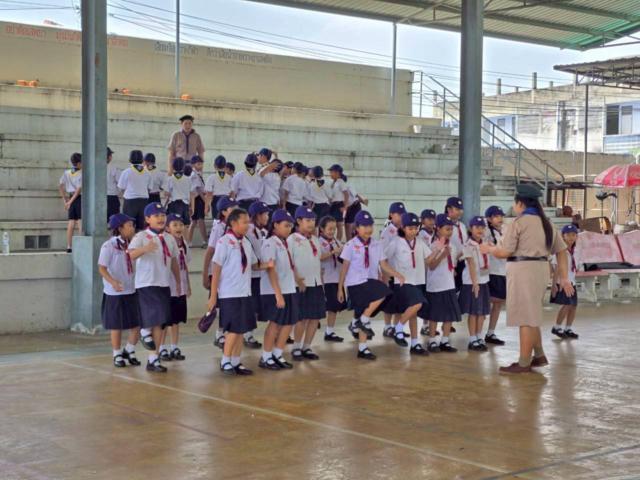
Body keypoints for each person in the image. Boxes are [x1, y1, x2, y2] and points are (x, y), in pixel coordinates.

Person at [480, 184, 573, 374]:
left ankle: (523, 362)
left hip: (523, 270)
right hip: (540, 270)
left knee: (525, 317)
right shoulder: (546, 223)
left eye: (515, 203)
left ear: (520, 203)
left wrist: (489, 249)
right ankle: (539, 355)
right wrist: (564, 277)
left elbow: (505, 252)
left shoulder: (519, 223)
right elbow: (562, 251)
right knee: (532, 314)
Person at [338, 210, 402, 360]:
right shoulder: (350, 245)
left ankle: (362, 348)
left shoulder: (376, 244)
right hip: (355, 284)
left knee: (366, 310)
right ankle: (362, 320)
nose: (368, 229)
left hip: (370, 281)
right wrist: (340, 288)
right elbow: (344, 268)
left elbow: (383, 265)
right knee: (383, 294)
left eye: (370, 225)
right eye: (364, 226)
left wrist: (397, 274)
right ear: (357, 228)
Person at [128, 202, 181, 373]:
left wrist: (178, 281)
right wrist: (145, 248)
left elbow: (174, 260)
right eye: (156, 215)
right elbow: (130, 255)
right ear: (147, 219)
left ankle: (153, 358)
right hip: (147, 283)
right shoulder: (141, 236)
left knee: (160, 322)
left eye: (163, 215)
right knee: (153, 315)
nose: (160, 218)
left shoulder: (169, 238)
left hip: (163, 283)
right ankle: (144, 331)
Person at [207, 208, 260, 376]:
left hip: (245, 292)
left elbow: (254, 264)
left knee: (241, 329)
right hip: (230, 293)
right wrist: (213, 296)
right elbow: (216, 269)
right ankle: (225, 360)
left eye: (248, 222)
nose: (248, 225)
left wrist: (270, 265)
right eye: (244, 222)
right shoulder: (224, 242)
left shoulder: (246, 242)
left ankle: (236, 361)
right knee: (233, 329)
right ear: (233, 223)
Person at [384, 212, 433, 355]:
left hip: (418, 281)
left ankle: (415, 344)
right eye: (410, 228)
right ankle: (398, 328)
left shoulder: (420, 242)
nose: (413, 231)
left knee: (413, 313)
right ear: (403, 228)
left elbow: (428, 259)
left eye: (416, 228)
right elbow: (383, 260)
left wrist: (439, 250)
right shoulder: (396, 242)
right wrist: (393, 275)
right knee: (418, 303)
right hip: (403, 283)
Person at [98, 213, 141, 368]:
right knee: (116, 325)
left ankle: (129, 349)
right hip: (115, 292)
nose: (132, 228)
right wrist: (113, 282)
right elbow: (102, 268)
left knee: (137, 323)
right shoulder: (109, 246)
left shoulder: (133, 245)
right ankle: (116, 353)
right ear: (120, 228)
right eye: (129, 225)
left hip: (131, 289)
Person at [259, 209, 300, 370]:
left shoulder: (284, 242)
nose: (289, 229)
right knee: (275, 324)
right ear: (275, 224)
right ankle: (266, 356)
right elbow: (271, 269)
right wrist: (278, 294)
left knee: (289, 322)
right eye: (286, 225)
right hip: (274, 290)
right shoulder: (270, 243)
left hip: (289, 288)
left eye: (290, 226)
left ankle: (277, 353)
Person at [289, 206, 325, 361]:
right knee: (302, 318)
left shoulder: (315, 239)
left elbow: (318, 260)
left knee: (315, 317)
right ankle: (296, 347)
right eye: (308, 220)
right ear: (298, 221)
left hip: (316, 283)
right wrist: (297, 279)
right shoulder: (291, 240)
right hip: (301, 284)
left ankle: (307, 346)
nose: (311, 223)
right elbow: (289, 263)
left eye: (313, 220)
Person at [203, 196, 238, 349]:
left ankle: (222, 332)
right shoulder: (219, 227)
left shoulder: (235, 228)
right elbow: (210, 251)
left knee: (225, 305)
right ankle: (219, 334)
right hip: (218, 271)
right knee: (219, 305)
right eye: (232, 208)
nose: (236, 210)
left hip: (229, 272)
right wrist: (205, 273)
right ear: (224, 212)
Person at [425, 214, 462, 353]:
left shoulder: (452, 245)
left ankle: (445, 341)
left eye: (451, 229)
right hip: (436, 286)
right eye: (447, 229)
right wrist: (442, 254)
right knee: (434, 315)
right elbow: (431, 265)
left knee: (449, 315)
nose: (450, 232)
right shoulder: (433, 245)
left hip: (449, 284)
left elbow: (453, 265)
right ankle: (432, 341)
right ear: (438, 229)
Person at [159, 213, 191, 362]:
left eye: (181, 224)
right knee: (165, 321)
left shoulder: (184, 244)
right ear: (167, 228)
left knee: (176, 320)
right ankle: (161, 348)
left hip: (180, 289)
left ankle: (174, 347)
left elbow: (186, 267)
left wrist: (188, 285)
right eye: (175, 225)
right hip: (168, 287)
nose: (179, 227)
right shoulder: (164, 243)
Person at [459, 216, 491, 352]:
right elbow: (471, 265)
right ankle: (472, 339)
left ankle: (479, 336)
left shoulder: (486, 243)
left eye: (482, 227)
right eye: (477, 227)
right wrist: (475, 283)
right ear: (470, 229)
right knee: (473, 312)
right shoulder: (468, 245)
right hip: (472, 282)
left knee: (482, 312)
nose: (480, 230)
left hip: (484, 281)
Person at [244, 200, 270, 349]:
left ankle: (249, 333)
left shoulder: (263, 232)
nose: (267, 217)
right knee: (251, 306)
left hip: (261, 274)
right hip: (251, 275)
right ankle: (247, 334)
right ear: (257, 215)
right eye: (265, 214)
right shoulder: (248, 231)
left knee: (257, 306)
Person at [380, 202, 407, 338]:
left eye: (403, 214)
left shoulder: (403, 230)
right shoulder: (387, 231)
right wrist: (385, 273)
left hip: (401, 271)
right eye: (398, 214)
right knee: (389, 302)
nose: (401, 217)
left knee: (400, 302)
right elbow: (383, 253)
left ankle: (397, 328)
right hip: (390, 271)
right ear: (391, 215)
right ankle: (387, 327)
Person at [318, 216, 345, 342]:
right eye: (329, 229)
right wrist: (333, 252)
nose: (332, 231)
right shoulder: (318, 242)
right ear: (322, 229)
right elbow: (319, 257)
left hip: (337, 278)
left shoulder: (336, 242)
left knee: (334, 307)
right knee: (326, 305)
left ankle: (329, 331)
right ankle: (317, 322)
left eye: (334, 229)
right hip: (326, 279)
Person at [550, 224, 579, 340]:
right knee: (566, 305)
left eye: (574, 235)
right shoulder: (560, 250)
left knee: (573, 306)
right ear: (563, 236)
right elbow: (557, 268)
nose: (571, 237)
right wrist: (554, 285)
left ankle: (568, 328)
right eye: (568, 235)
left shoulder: (575, 250)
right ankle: (557, 327)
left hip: (572, 282)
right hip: (562, 282)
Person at [483, 206, 507, 345]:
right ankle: (477, 334)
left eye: (501, 216)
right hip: (491, 271)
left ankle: (490, 332)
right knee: (487, 302)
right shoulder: (486, 232)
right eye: (496, 216)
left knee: (498, 303)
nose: (500, 219)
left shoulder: (504, 231)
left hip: (503, 271)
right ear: (489, 218)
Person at [118, 150, 151, 231]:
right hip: (143, 201)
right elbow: (149, 188)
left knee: (128, 225)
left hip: (130, 201)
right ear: (142, 160)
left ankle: (130, 239)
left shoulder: (126, 172)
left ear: (129, 160)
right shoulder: (147, 172)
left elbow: (121, 187)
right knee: (141, 227)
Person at [58, 152, 82, 253]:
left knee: (71, 221)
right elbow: (78, 190)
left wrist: (65, 200)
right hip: (79, 198)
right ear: (79, 163)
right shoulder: (82, 173)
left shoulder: (67, 172)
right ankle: (82, 245)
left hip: (71, 197)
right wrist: (69, 202)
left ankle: (69, 246)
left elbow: (60, 185)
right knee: (80, 221)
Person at [418, 208, 436, 336]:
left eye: (433, 219)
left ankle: (430, 324)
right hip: (424, 271)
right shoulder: (420, 234)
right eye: (429, 219)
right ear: (423, 220)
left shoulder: (436, 233)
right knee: (425, 298)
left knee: (431, 298)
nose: (431, 221)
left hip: (434, 270)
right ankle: (425, 325)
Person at [444, 196, 468, 292]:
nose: (460, 212)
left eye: (461, 209)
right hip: (449, 263)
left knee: (461, 291)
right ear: (449, 209)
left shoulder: (462, 226)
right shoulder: (443, 226)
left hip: (462, 262)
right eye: (457, 209)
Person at [163, 157, 191, 226]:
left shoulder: (170, 179)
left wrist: (164, 206)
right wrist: (191, 207)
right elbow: (191, 194)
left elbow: (166, 194)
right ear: (184, 167)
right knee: (184, 226)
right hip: (185, 205)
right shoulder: (188, 179)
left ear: (172, 166)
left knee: (173, 225)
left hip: (173, 205)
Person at [187, 155, 207, 248]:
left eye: (201, 164)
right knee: (200, 220)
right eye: (198, 164)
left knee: (194, 221)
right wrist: (206, 202)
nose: (201, 166)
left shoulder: (197, 174)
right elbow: (198, 190)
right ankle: (205, 241)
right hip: (198, 199)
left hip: (196, 199)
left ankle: (189, 242)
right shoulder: (194, 175)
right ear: (193, 165)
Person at [204, 155, 232, 220]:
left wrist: (206, 207)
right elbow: (232, 192)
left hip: (216, 201)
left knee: (217, 220)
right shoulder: (229, 177)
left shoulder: (211, 177)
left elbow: (209, 194)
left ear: (214, 165)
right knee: (226, 220)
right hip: (227, 200)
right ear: (225, 166)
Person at [328, 164, 349, 241]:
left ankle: (338, 241)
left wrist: (345, 207)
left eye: (331, 172)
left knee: (339, 225)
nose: (330, 174)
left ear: (337, 172)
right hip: (333, 205)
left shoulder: (341, 182)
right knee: (332, 223)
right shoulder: (333, 182)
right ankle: (332, 240)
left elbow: (346, 194)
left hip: (339, 204)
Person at [106, 147, 121, 221]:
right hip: (112, 198)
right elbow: (120, 183)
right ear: (109, 157)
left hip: (97, 198)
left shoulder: (94, 167)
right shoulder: (114, 168)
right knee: (114, 221)